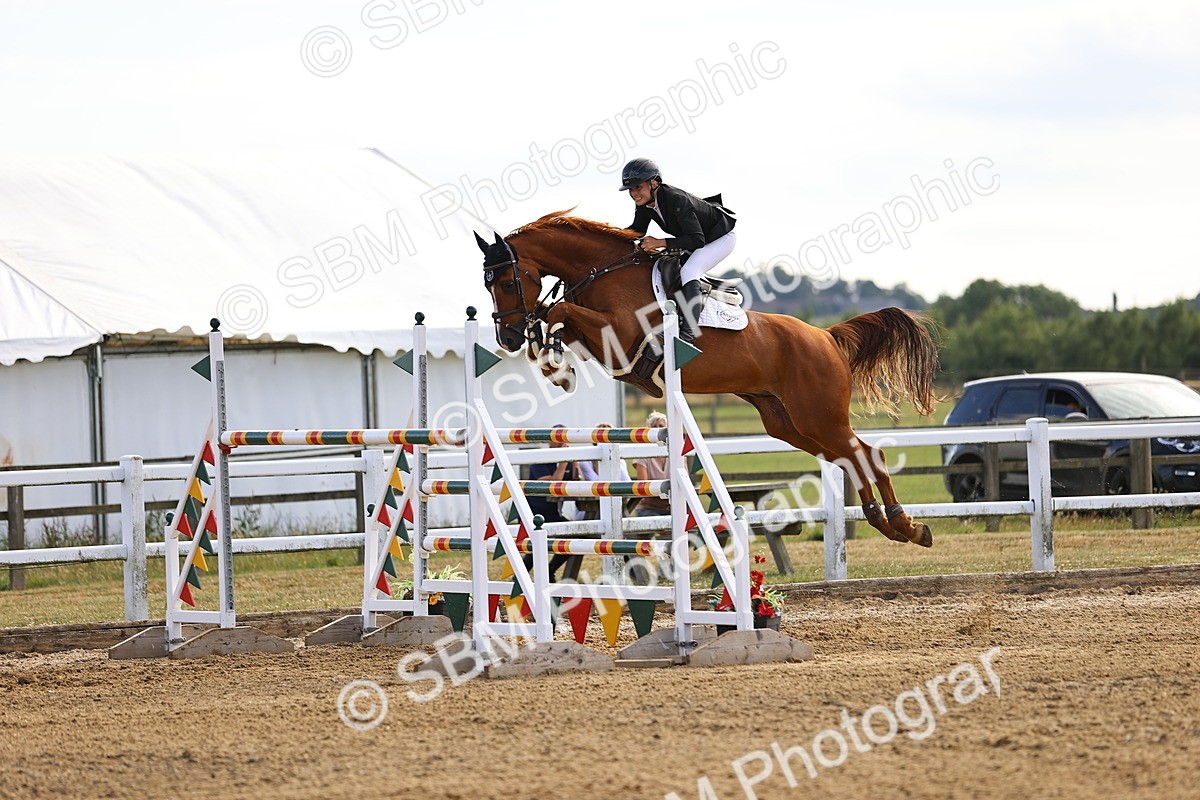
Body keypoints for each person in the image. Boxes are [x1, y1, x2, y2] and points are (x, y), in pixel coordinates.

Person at [619, 157, 737, 343]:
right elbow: (638, 230)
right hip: (696, 238)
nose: (634, 193)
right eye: (630, 189)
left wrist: (660, 242)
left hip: (719, 237)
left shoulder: (676, 199)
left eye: (638, 187)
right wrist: (607, 234)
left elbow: (697, 240)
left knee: (689, 271)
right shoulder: (645, 202)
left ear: (654, 183)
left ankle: (688, 335)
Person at [522, 427, 576, 581]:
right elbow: (552, 486)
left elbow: (578, 482)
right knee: (539, 543)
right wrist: (564, 464)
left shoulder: (566, 462)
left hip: (552, 513)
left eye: (564, 439)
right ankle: (525, 576)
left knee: (577, 537)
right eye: (557, 439)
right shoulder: (541, 459)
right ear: (549, 442)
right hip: (533, 513)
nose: (561, 443)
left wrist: (575, 463)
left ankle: (548, 570)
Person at [626, 411, 670, 584]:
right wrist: (666, 492)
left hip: (668, 507)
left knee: (676, 528)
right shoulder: (642, 453)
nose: (659, 429)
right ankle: (639, 573)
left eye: (662, 426)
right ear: (649, 430)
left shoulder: (676, 451)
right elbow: (644, 488)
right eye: (655, 427)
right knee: (636, 534)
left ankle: (664, 572)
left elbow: (684, 481)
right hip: (648, 508)